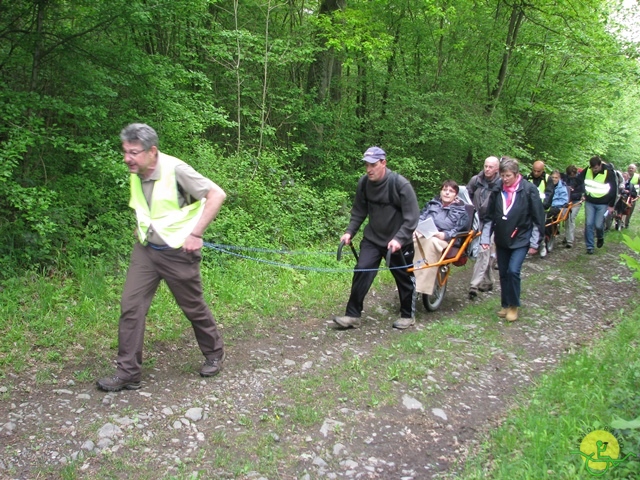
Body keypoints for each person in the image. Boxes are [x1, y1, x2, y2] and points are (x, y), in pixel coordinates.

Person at [97, 123, 227, 392]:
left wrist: (196, 233)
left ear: (152, 151)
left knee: (193, 307)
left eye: (133, 152)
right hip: (146, 250)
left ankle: (214, 353)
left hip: (179, 251)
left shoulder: (176, 170)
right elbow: (150, 204)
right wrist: (142, 224)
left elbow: (217, 194)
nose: (127, 158)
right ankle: (128, 372)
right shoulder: (137, 170)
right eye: (125, 151)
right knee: (131, 306)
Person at [333, 146, 420, 330]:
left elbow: (412, 217)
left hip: (397, 242)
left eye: (373, 164)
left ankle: (407, 315)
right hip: (373, 239)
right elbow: (359, 211)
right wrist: (349, 232)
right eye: (366, 164)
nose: (368, 169)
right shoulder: (364, 183)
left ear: (383, 163)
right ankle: (352, 315)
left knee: (403, 277)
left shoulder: (400, 184)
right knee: (362, 270)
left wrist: (399, 238)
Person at [480, 157, 545, 322]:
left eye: (508, 175)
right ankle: (505, 303)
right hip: (502, 238)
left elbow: (538, 218)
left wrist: (535, 242)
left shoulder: (529, 190)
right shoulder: (497, 189)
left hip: (521, 237)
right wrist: (486, 238)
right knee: (503, 272)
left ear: (516, 174)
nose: (505, 179)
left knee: (513, 271)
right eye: (502, 175)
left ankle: (514, 306)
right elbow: (488, 216)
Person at [413, 180, 469, 296]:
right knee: (408, 239)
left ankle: (421, 287)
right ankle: (407, 276)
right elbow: (421, 217)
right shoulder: (432, 204)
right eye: (444, 190)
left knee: (431, 243)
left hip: (445, 240)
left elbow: (459, 229)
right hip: (426, 234)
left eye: (451, 191)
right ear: (440, 191)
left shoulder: (461, 211)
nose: (447, 193)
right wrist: (417, 229)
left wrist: (445, 235)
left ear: (456, 195)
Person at [467, 156, 501, 298]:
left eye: (490, 167)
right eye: (485, 166)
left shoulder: (501, 183)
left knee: (483, 250)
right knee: (481, 252)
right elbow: (467, 196)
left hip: (491, 222)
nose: (487, 169)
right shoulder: (476, 180)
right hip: (475, 220)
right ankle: (489, 281)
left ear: (497, 169)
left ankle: (474, 285)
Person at [576, 155, 617, 254]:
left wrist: (611, 205)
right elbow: (579, 180)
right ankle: (590, 246)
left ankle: (600, 237)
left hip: (603, 203)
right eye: (592, 168)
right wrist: (581, 192)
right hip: (590, 201)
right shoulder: (588, 170)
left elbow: (613, 189)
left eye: (596, 168)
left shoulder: (608, 173)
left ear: (600, 165)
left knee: (598, 225)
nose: (594, 170)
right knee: (589, 224)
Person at [526, 160, 554, 256]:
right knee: (527, 228)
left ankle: (542, 246)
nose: (536, 173)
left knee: (539, 228)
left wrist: (542, 207)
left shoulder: (548, 179)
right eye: (534, 170)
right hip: (528, 209)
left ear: (543, 170)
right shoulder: (527, 177)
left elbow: (549, 194)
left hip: (542, 209)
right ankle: (528, 248)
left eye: (538, 171)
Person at [562, 165, 584, 248]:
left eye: (573, 174)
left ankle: (570, 241)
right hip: (566, 201)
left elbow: (582, 190)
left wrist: (575, 192)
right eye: (570, 174)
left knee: (571, 219)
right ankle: (567, 236)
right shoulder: (564, 178)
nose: (572, 176)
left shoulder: (580, 179)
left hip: (576, 202)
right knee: (566, 219)